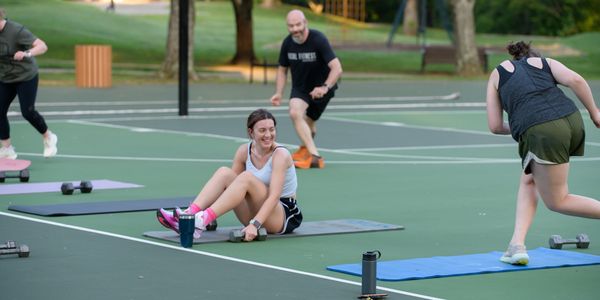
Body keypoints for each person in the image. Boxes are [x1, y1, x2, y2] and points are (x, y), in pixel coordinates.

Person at [486, 41, 600, 265]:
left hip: (543, 132)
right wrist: (595, 113)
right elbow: (576, 80)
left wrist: (529, 125)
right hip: (572, 120)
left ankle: (517, 246)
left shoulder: (496, 75)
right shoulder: (546, 63)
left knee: (558, 201)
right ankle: (516, 245)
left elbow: (495, 125)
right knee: (529, 179)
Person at [156, 109, 302, 241]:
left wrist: (255, 224)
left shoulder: (280, 155)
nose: (268, 135)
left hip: (282, 215)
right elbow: (231, 189)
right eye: (262, 130)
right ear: (251, 132)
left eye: (271, 130)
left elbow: (274, 196)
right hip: (256, 210)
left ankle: (200, 221)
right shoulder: (244, 151)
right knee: (225, 173)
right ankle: (189, 215)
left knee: (245, 178)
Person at [270, 9, 343, 169]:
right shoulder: (287, 43)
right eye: (291, 26)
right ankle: (315, 156)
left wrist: (324, 87)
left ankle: (304, 149)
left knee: (309, 122)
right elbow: (282, 69)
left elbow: (337, 68)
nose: (295, 29)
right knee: (295, 113)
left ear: (305, 23)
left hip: (323, 87)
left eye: (298, 24)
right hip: (301, 88)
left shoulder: (318, 39)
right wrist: (279, 92)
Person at [0, 7, 58, 159]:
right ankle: (7, 149)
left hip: (25, 76)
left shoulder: (16, 31)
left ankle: (48, 136)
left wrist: (26, 53)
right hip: (5, 77)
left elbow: (42, 46)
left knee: (28, 112)